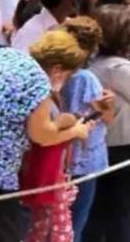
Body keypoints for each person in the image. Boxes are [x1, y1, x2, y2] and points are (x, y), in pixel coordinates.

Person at [0, 30, 93, 242]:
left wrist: (60, 121)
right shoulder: (38, 80)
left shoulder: (5, 55)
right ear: (58, 68)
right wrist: (75, 131)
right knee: (7, 233)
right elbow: (41, 134)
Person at [57, 16, 112, 241]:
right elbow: (105, 116)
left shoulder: (59, 72)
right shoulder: (87, 78)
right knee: (75, 225)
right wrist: (109, 101)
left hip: (63, 158)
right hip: (84, 159)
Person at [83, 4, 130, 241]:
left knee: (101, 213)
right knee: (120, 215)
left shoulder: (94, 65)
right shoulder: (118, 68)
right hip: (121, 151)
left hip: (106, 149)